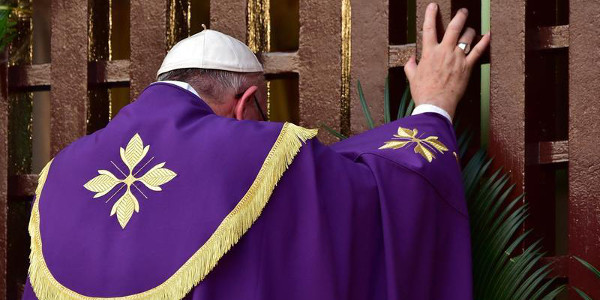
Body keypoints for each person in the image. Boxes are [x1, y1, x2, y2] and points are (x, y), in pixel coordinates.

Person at [23, 3, 490, 300]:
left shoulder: (60, 174)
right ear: (246, 105)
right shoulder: (261, 153)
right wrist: (433, 106)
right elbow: (377, 197)